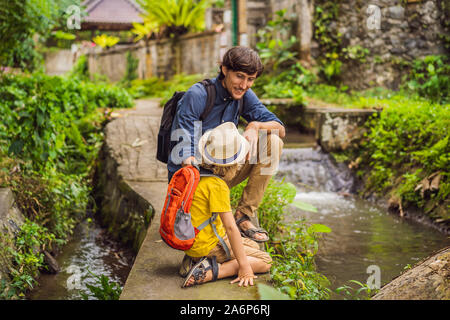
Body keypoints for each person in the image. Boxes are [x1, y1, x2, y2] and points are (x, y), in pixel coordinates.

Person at [168, 46, 285, 245]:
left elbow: (280, 128)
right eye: (239, 76)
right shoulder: (197, 95)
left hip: (225, 170)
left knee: (273, 141)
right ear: (224, 69)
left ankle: (243, 215)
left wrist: (255, 125)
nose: (244, 85)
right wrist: (194, 198)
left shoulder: (245, 95)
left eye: (251, 79)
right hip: (195, 178)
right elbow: (184, 148)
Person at [181, 122, 272, 288]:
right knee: (265, 261)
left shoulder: (196, 174)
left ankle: (199, 260)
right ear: (233, 164)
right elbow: (230, 227)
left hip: (192, 241)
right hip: (208, 245)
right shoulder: (217, 186)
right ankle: (209, 273)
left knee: (252, 245)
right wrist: (244, 267)